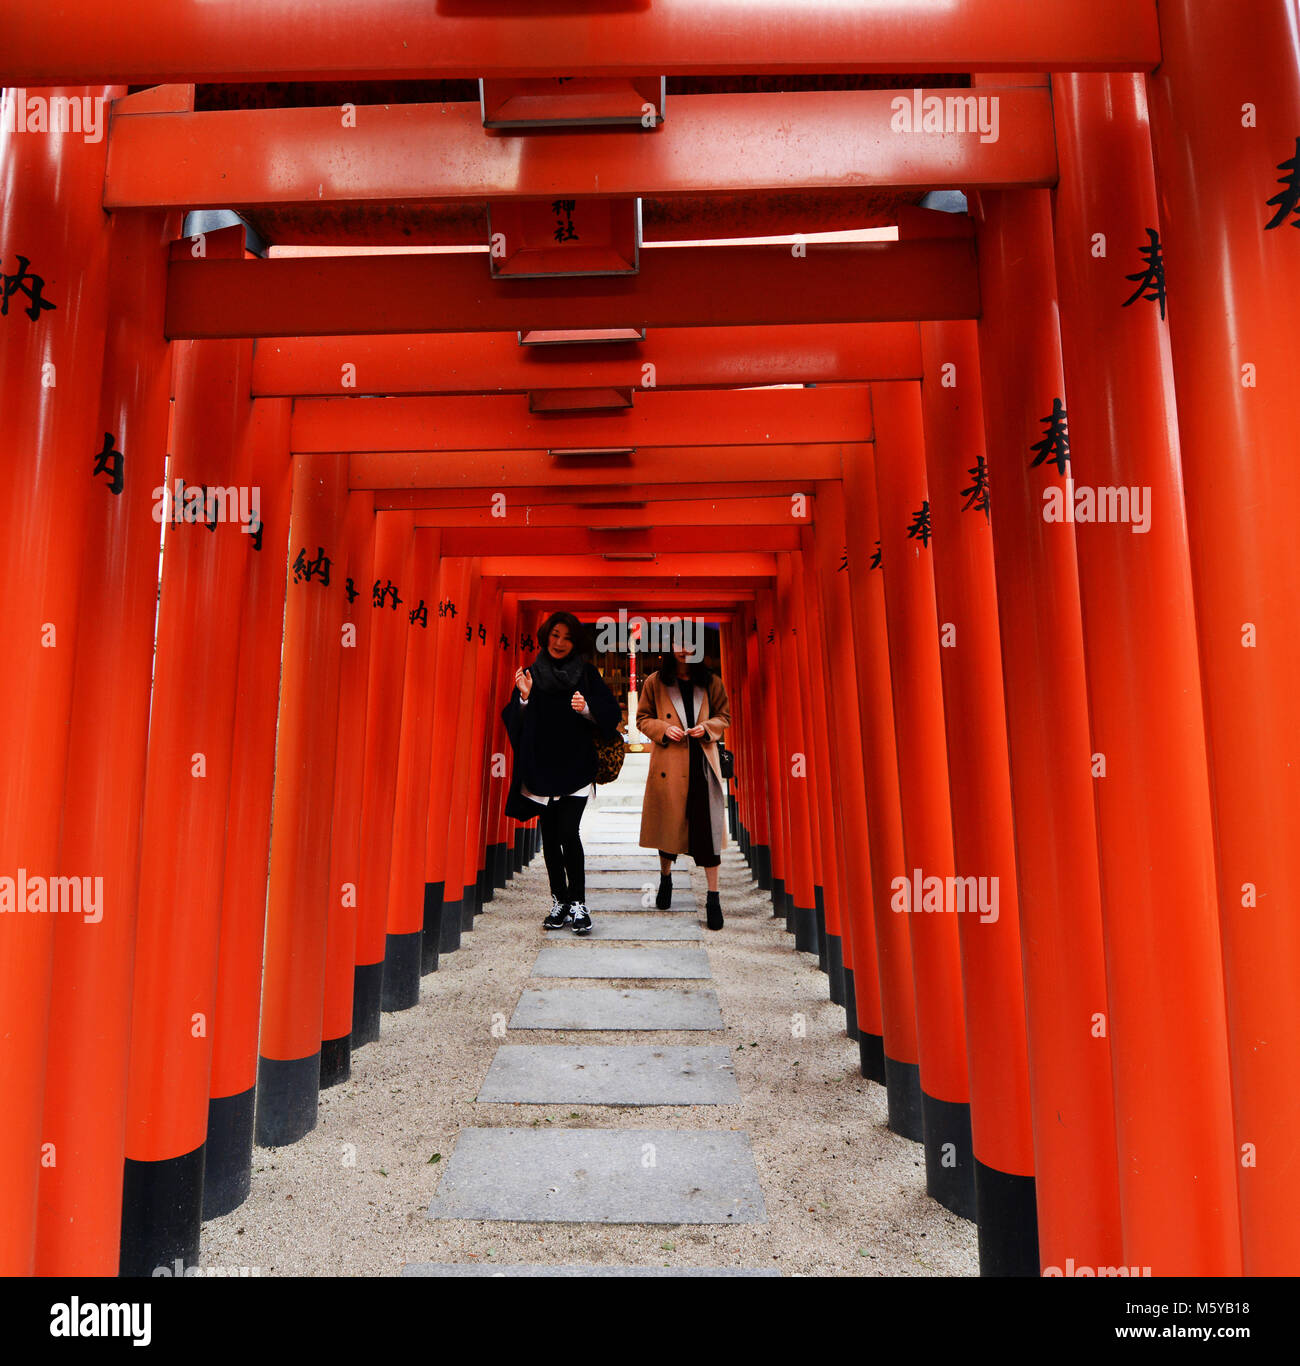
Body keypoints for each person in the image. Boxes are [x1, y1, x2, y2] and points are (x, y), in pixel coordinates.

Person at [501, 611, 621, 935]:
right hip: (541, 768)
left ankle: (579, 903)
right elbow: (515, 721)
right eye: (555, 635)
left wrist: (586, 710)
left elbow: (611, 714)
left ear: (575, 642)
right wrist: (524, 697)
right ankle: (560, 901)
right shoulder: (531, 675)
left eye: (567, 637)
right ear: (546, 636)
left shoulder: (586, 674)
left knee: (569, 832)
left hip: (576, 767)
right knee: (550, 837)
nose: (560, 642)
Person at [636, 642, 731, 930]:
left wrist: (707, 728)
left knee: (707, 834)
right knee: (669, 827)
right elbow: (642, 718)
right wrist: (664, 729)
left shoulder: (712, 681)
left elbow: (724, 716)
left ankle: (713, 898)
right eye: (678, 643)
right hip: (670, 761)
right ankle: (666, 879)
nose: (684, 650)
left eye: (691, 643)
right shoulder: (656, 681)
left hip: (702, 763)